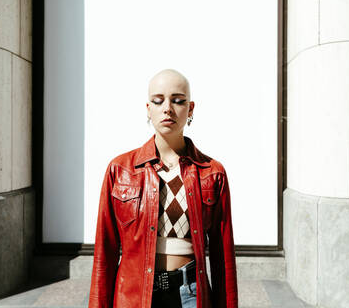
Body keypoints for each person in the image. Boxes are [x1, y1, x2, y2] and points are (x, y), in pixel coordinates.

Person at [88, 69, 238, 308]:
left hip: (190, 294)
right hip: (134, 295)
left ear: (190, 109)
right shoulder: (121, 170)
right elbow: (104, 253)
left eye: (178, 100)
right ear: (148, 109)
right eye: (159, 101)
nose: (168, 108)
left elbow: (223, 259)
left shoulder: (212, 173)